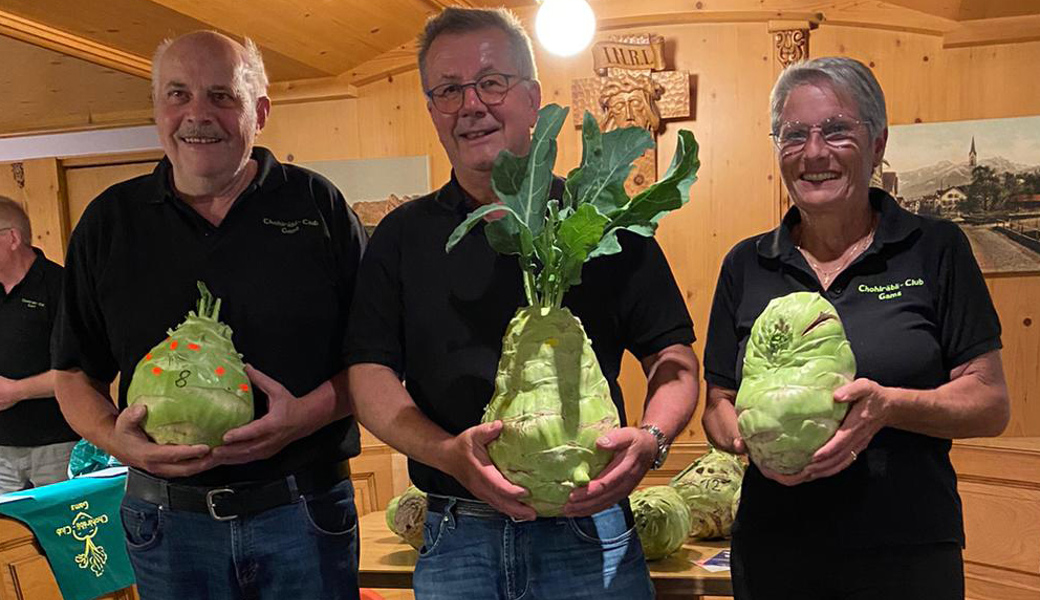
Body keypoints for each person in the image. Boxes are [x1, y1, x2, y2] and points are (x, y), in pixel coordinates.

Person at [346, 7, 699, 599]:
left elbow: (674, 357)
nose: (471, 105)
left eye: (491, 82)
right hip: (457, 532)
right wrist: (445, 454)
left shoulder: (602, 218)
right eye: (449, 90)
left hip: (587, 527)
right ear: (433, 111)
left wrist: (654, 440)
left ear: (533, 99)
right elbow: (368, 373)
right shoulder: (402, 237)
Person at [51, 31, 366, 599]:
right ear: (156, 109)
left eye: (222, 95)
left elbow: (372, 364)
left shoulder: (318, 207)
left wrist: (302, 418)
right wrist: (120, 443)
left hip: (304, 510)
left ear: (259, 111)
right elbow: (73, 372)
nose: (197, 114)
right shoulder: (109, 222)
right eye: (178, 94)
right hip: (167, 524)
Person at [702, 56, 1011, 600]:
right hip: (775, 552)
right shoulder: (745, 264)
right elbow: (717, 403)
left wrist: (889, 405)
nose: (814, 152)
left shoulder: (935, 248)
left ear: (878, 143)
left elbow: (989, 402)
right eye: (794, 135)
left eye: (837, 130)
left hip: (907, 553)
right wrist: (748, 438)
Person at [0, 197, 79, 495]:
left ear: (12, 238)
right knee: (8, 536)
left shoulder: (62, 287)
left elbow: (82, 371)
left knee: (63, 532)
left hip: (57, 445)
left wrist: (15, 391)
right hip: (1, 451)